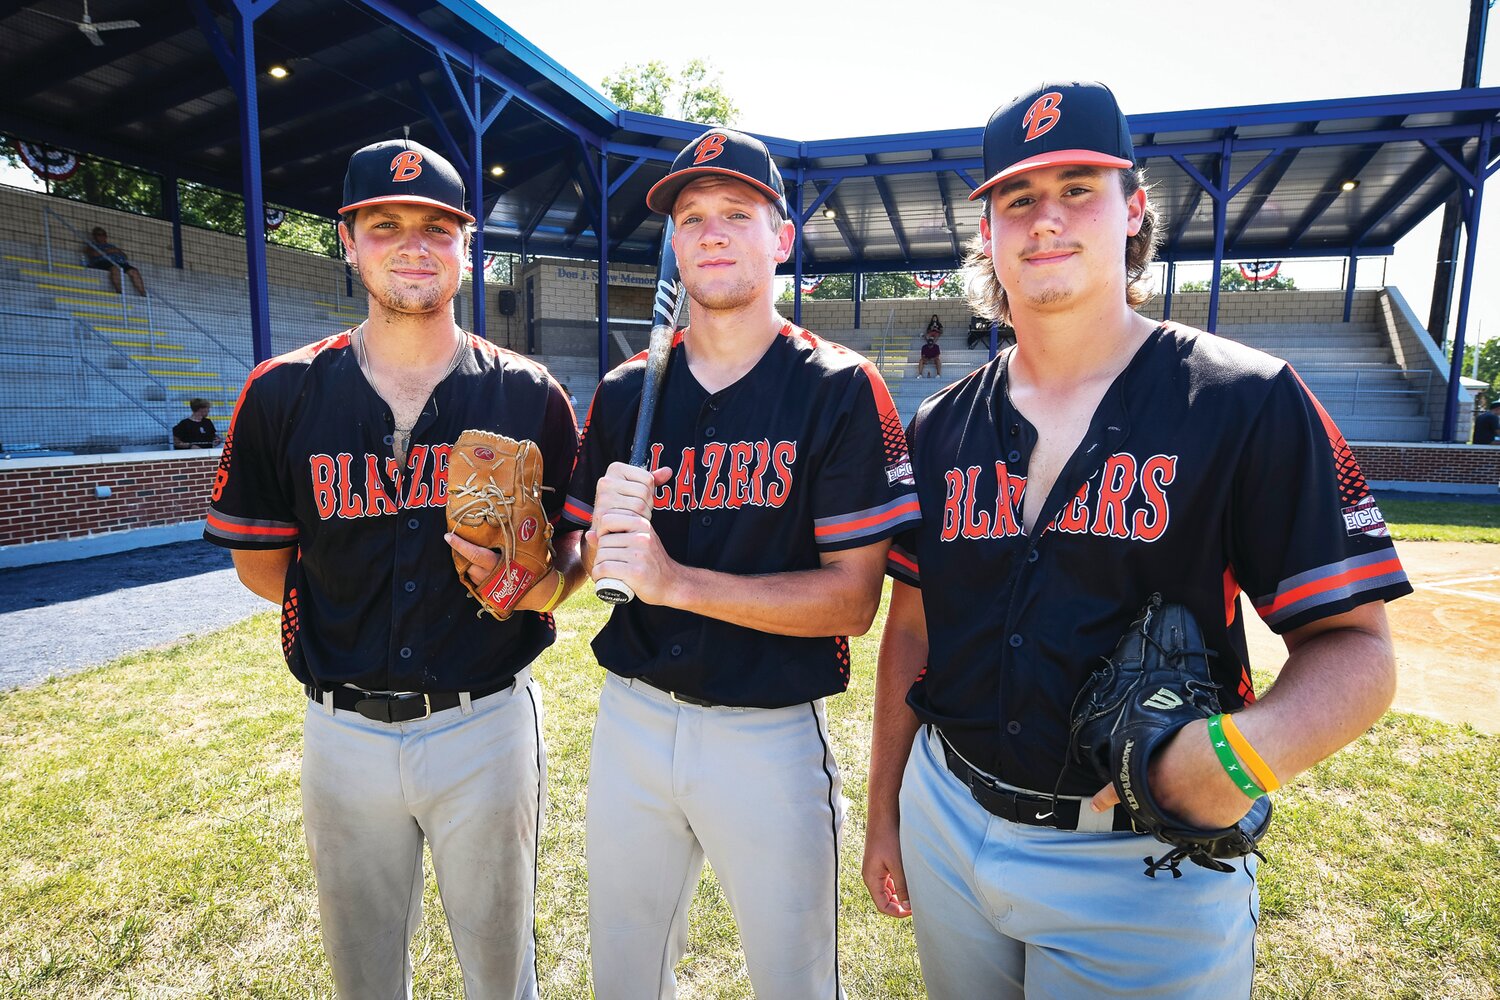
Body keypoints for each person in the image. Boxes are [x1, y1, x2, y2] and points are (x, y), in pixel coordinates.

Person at [861, 81, 1412, 999]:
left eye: (1079, 187)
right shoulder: (941, 425)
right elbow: (912, 630)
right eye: (1018, 198)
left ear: (1135, 211)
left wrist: (1238, 756)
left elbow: (1356, 651)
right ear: (989, 232)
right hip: (948, 817)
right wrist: (887, 806)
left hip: (1141, 867)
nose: (1047, 219)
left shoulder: (1246, 398)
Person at [204, 137, 581, 999]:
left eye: (435, 227)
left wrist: (515, 584)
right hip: (343, 731)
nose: (413, 244)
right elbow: (265, 567)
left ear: (465, 244)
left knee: (500, 970)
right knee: (363, 975)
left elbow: (570, 553)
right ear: (348, 239)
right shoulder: (282, 391)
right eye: (385, 224)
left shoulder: (529, 393)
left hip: (484, 722)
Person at [560, 127, 920, 999]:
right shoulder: (623, 390)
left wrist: (675, 581)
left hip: (768, 730)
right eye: (691, 219)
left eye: (736, 214)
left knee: (795, 982)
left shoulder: (838, 386)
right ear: (675, 245)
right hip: (633, 723)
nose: (712, 233)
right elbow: (573, 559)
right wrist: (532, 564)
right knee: (624, 977)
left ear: (781, 238)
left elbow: (851, 603)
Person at [84, 226, 147, 296]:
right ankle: (119, 291)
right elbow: (93, 254)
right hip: (104, 263)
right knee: (115, 268)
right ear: (94, 236)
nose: (101, 236)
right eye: (99, 234)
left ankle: (143, 293)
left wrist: (119, 251)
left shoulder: (111, 245)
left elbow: (125, 256)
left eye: (103, 234)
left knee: (134, 271)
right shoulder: (92, 245)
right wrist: (108, 251)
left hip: (121, 263)